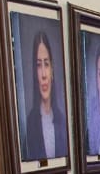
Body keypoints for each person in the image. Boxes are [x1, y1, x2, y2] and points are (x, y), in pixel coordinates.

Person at [22, 30, 68, 161]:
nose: (43, 74)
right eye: (38, 65)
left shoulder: (62, 120)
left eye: (46, 64)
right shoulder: (31, 123)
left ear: (52, 70)